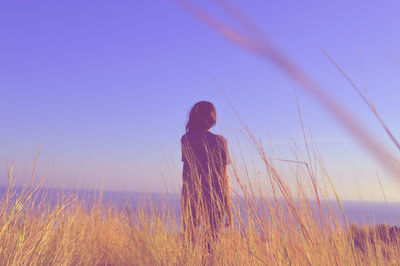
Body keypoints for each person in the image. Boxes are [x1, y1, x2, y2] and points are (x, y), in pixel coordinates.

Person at [180, 101, 233, 248]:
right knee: (211, 247)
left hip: (191, 197)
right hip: (215, 199)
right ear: (212, 118)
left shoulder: (186, 139)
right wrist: (228, 207)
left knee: (190, 245)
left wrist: (184, 199)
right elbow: (224, 178)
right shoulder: (220, 141)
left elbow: (186, 174)